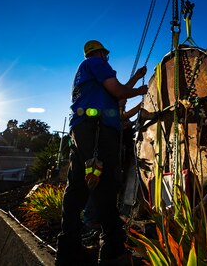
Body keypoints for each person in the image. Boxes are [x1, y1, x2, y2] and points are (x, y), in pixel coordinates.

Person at [56, 40, 148, 266]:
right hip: (98, 129)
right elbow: (118, 91)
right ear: (100, 53)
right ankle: (112, 251)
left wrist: (135, 78)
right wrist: (140, 90)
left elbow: (117, 93)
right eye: (105, 55)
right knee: (105, 182)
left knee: (77, 185)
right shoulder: (96, 62)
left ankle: (68, 250)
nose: (107, 58)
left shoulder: (85, 72)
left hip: (82, 130)